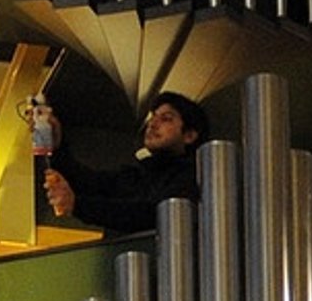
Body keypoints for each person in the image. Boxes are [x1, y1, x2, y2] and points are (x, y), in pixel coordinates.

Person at [41, 91, 209, 234]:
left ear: (189, 136)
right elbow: (86, 182)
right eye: (153, 117)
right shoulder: (135, 177)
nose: (152, 124)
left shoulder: (194, 176)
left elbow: (152, 215)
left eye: (166, 119)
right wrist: (57, 145)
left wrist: (78, 205)